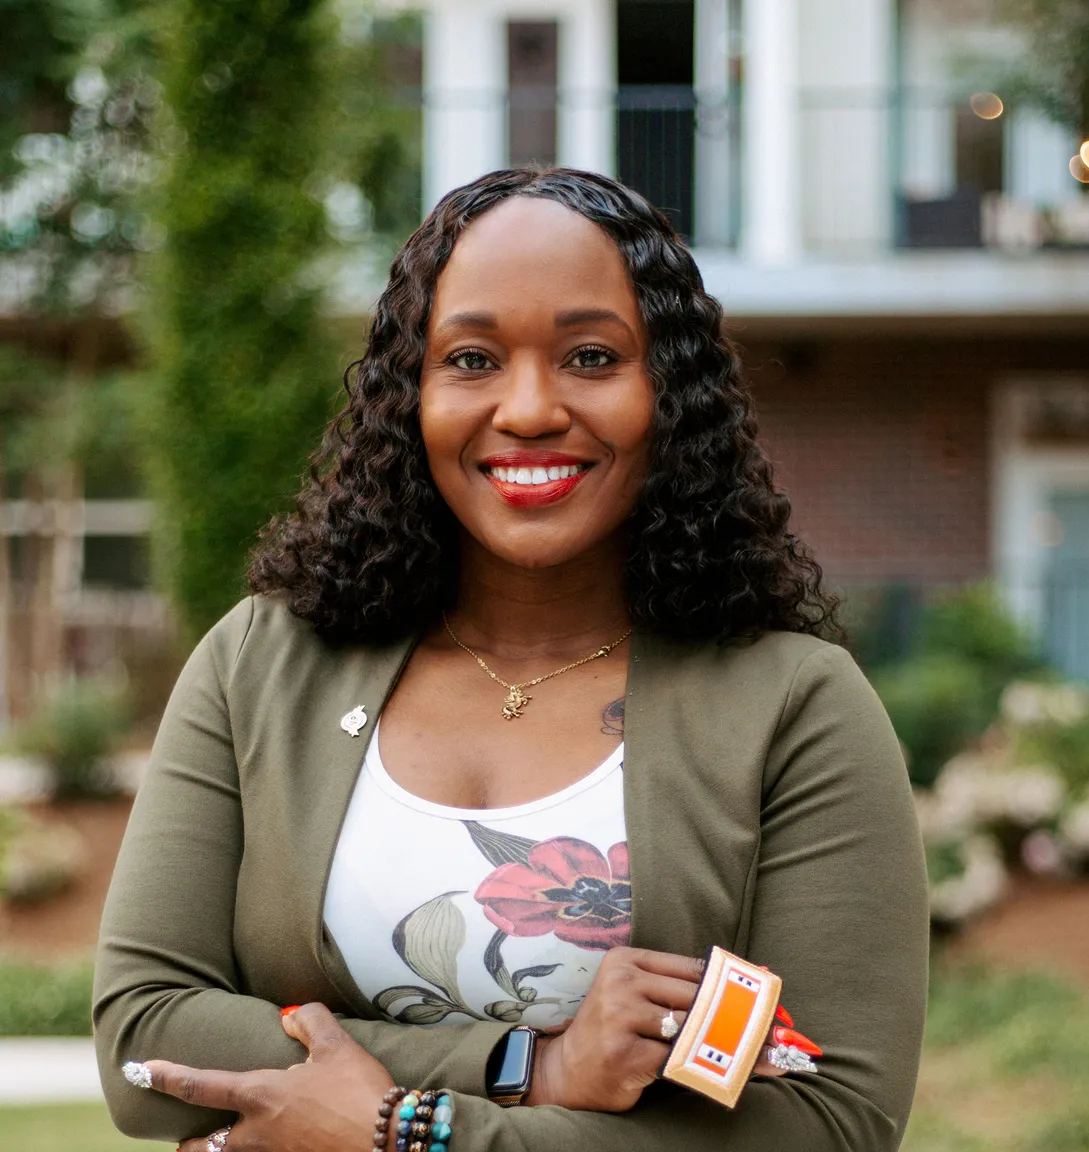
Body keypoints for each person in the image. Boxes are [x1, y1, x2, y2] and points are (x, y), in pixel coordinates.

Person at [94, 167, 928, 1152]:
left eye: (588, 355)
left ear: (669, 394)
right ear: (410, 393)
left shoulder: (791, 706)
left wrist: (402, 1132)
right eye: (472, 358)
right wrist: (526, 1068)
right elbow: (145, 1043)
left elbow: (829, 1122)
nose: (528, 409)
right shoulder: (262, 664)